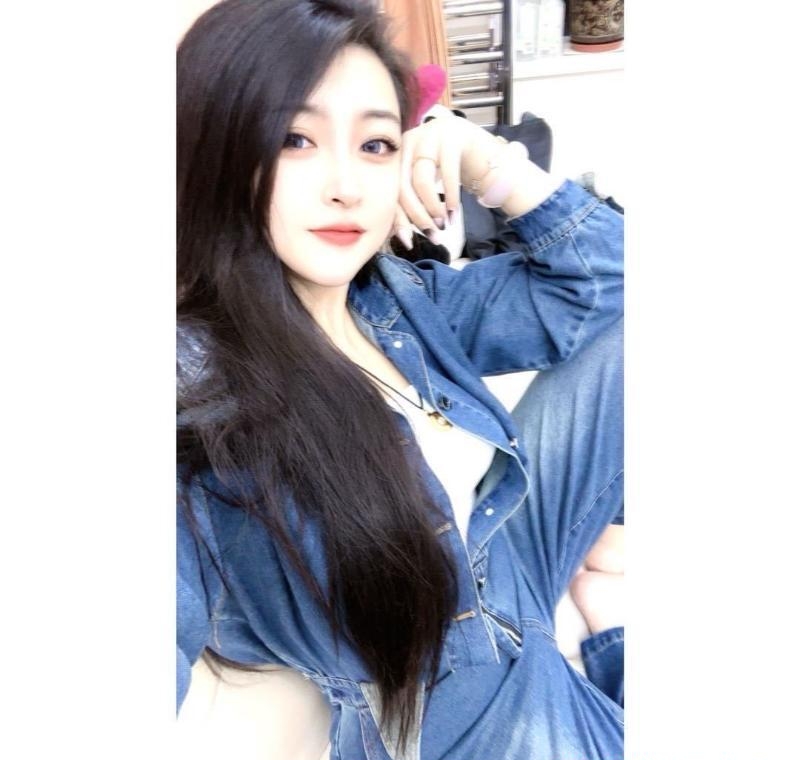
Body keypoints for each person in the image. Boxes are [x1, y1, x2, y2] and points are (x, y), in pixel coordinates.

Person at [176, 1, 624, 758]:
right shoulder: (195, 385)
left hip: (505, 573)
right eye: (294, 139)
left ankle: (601, 632)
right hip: (473, 720)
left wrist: (483, 158)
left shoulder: (399, 302)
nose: (347, 186)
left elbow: (608, 283)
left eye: (377, 144)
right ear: (218, 145)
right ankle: (611, 636)